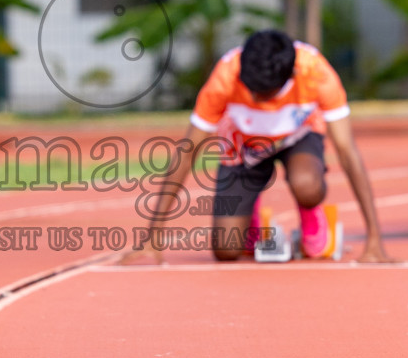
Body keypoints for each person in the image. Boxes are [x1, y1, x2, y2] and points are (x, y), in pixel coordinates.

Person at [125, 29, 392, 263]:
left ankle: (311, 213)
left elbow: (347, 151)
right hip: (243, 146)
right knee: (226, 251)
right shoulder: (225, 77)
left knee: (307, 185)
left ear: (292, 76)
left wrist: (374, 238)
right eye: (249, 88)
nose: (253, 97)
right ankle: (251, 213)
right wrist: (153, 236)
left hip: (297, 138)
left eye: (263, 94)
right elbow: (188, 152)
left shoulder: (316, 73)